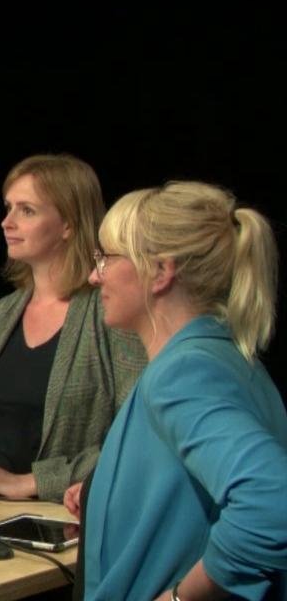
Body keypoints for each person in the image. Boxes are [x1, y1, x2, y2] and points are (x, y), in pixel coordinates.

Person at [78, 181, 286, 601]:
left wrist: (180, 598)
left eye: (106, 258)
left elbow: (272, 501)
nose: (93, 275)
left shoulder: (183, 373)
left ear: (160, 271)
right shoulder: (228, 360)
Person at [0, 154, 148, 502]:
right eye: (8, 208)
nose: (6, 222)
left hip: (70, 517)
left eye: (27, 211)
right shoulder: (2, 313)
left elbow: (139, 436)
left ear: (69, 224)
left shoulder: (111, 311)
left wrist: (31, 482)